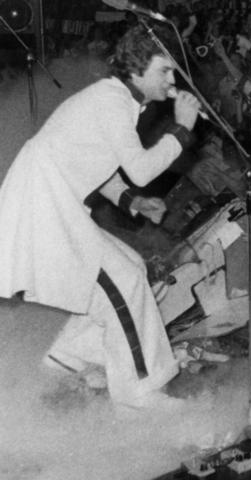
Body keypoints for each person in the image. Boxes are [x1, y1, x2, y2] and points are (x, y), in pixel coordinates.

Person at [0, 25, 201, 410]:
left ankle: (69, 360)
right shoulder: (111, 102)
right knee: (122, 283)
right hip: (45, 206)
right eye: (165, 70)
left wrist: (132, 203)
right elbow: (141, 170)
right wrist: (182, 128)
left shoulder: (115, 100)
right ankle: (137, 392)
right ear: (138, 68)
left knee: (132, 268)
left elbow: (97, 163)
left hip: (51, 203)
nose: (172, 80)